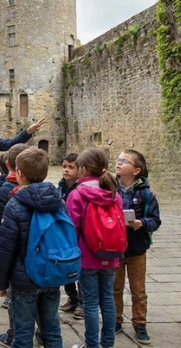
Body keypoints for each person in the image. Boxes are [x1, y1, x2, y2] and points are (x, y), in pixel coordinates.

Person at [0, 148, 64, 348]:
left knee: (23, 333)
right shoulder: (58, 201)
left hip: (24, 278)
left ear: (20, 174)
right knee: (51, 329)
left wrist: (1, 282)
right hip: (52, 274)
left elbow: (5, 248)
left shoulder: (14, 205)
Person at [66, 148, 123, 348]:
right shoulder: (113, 193)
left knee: (90, 302)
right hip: (112, 254)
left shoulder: (77, 194)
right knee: (107, 299)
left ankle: (91, 344)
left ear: (82, 169)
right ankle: (107, 343)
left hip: (88, 255)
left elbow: (72, 228)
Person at [113, 149, 161, 345]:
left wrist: (142, 223)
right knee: (114, 288)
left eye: (124, 161)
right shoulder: (109, 189)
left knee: (138, 289)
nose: (118, 162)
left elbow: (155, 221)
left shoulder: (146, 194)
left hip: (136, 248)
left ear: (136, 170)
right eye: (118, 159)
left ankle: (139, 323)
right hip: (114, 247)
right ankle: (115, 320)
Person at [57, 153, 82, 316]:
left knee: (81, 270)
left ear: (80, 170)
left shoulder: (80, 189)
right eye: (64, 166)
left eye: (71, 167)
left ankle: (82, 302)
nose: (66, 170)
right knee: (66, 267)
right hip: (63, 232)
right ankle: (72, 298)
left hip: (77, 233)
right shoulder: (60, 187)